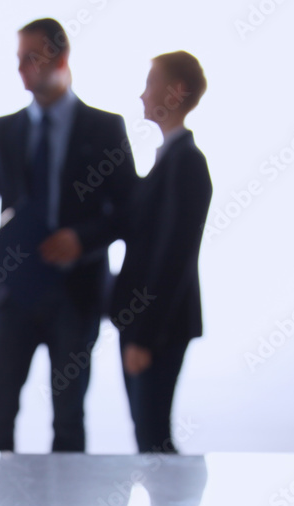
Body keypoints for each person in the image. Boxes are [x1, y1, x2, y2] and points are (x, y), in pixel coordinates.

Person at [0, 18, 136, 453]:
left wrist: (81, 239)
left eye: (32, 58)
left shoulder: (105, 129)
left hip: (76, 292)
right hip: (15, 290)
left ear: (61, 59)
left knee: (68, 420)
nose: (23, 69)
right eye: (19, 60)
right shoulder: (5, 130)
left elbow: (127, 212)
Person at [110, 51, 211, 453]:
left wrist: (144, 338)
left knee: (154, 435)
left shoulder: (188, 164)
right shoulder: (167, 160)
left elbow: (174, 259)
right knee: (147, 432)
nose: (142, 94)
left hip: (158, 328)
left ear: (177, 91)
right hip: (146, 324)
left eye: (150, 82)